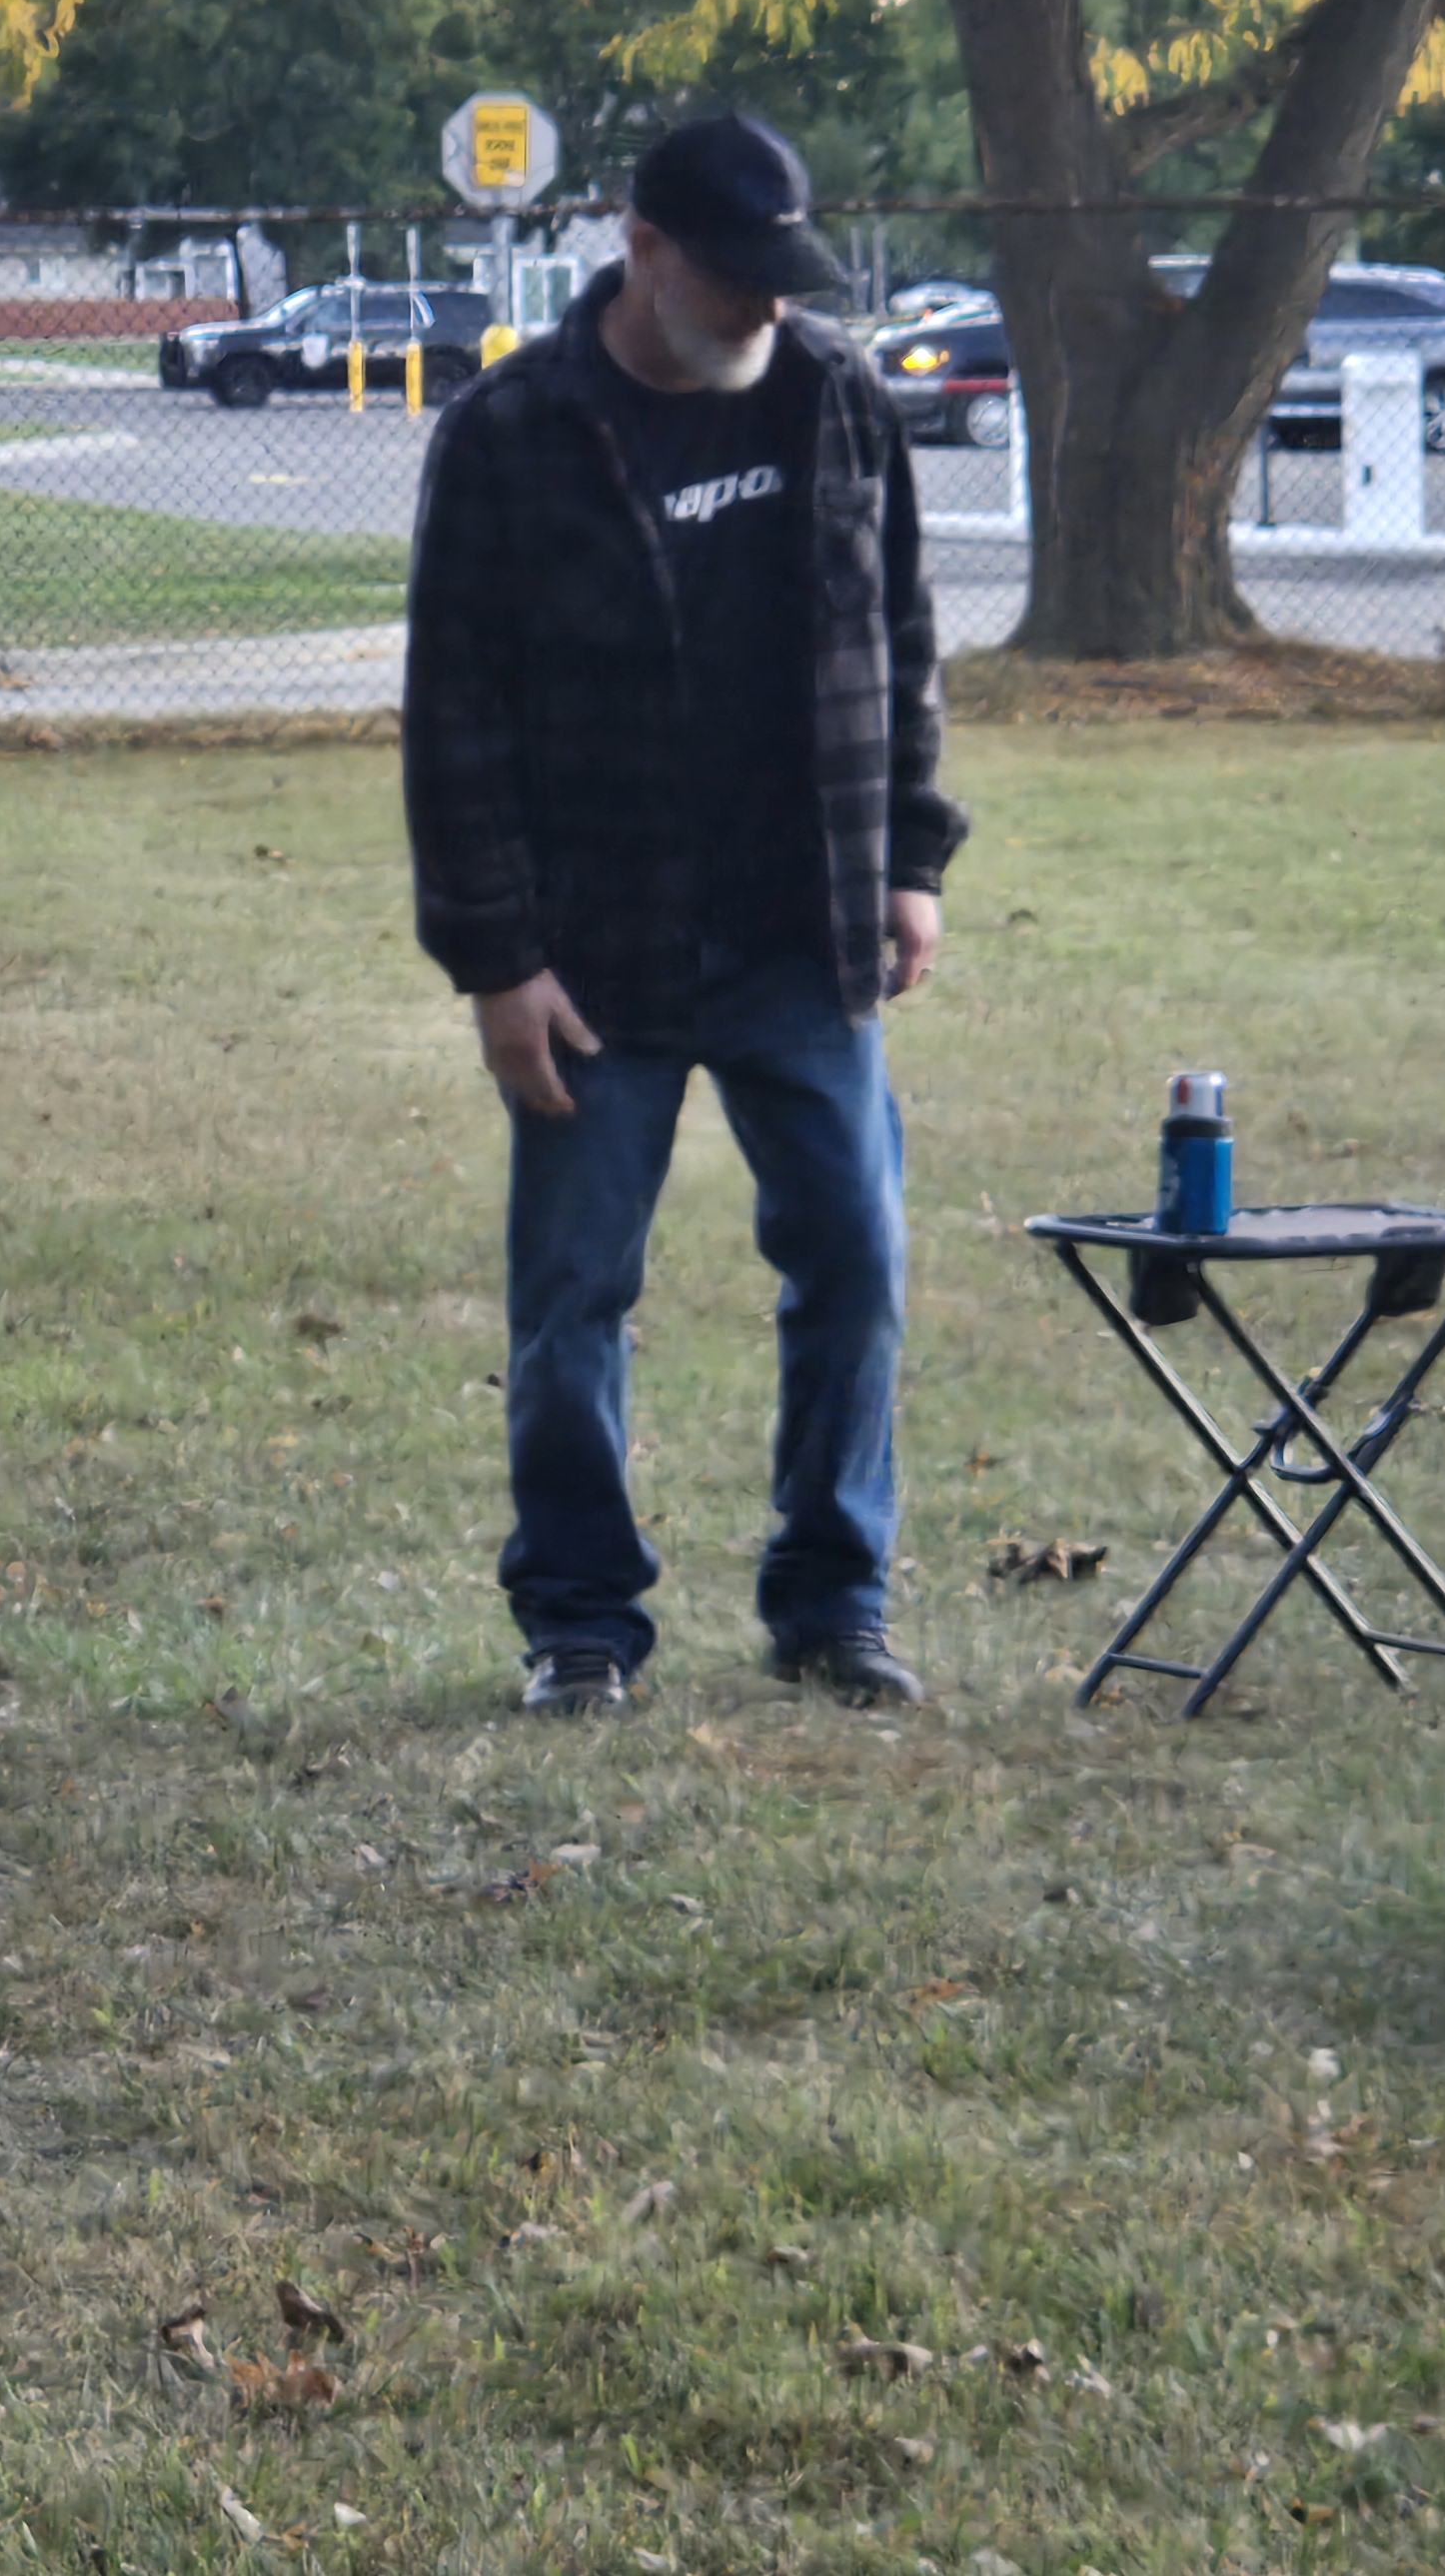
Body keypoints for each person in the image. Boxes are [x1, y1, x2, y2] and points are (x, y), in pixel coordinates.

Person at [402, 111, 968, 1717]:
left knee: (854, 1259)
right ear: (640, 251)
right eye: (734, 283)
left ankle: (832, 1602)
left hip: (806, 931)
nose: (763, 313)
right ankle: (580, 1621)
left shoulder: (836, 397)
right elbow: (455, 718)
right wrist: (497, 962)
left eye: (783, 282)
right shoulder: (516, 433)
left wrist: (910, 858)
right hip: (596, 952)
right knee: (576, 1291)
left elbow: (900, 639)